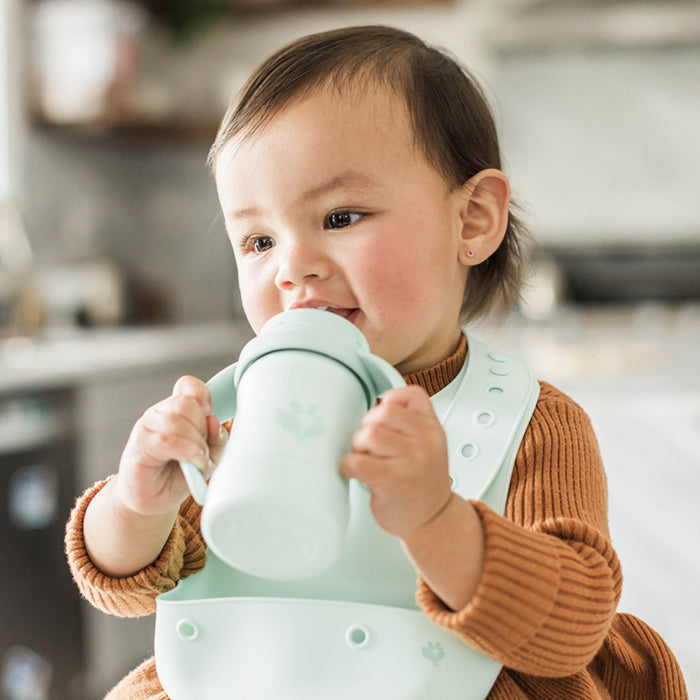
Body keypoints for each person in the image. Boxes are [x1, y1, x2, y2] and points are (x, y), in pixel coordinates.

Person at [65, 25, 687, 699]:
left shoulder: (533, 422)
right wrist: (137, 505)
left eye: (340, 217)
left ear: (472, 220)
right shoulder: (246, 419)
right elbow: (123, 586)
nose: (291, 267)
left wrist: (435, 519)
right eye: (258, 240)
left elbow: (572, 627)